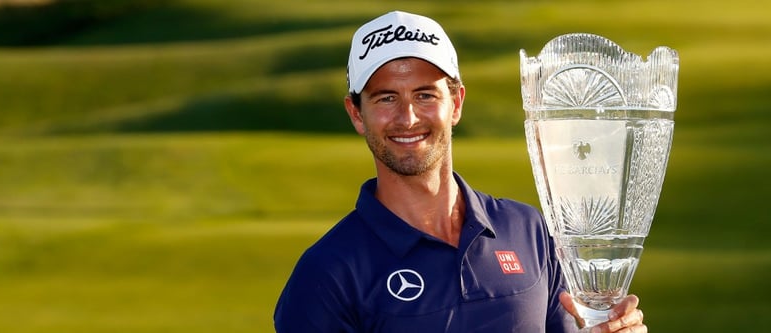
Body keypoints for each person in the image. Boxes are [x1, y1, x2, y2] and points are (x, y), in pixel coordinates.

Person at [274, 10, 647, 333]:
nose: (408, 118)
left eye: (425, 95)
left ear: (456, 103)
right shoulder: (327, 273)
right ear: (357, 114)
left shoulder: (528, 231)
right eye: (387, 98)